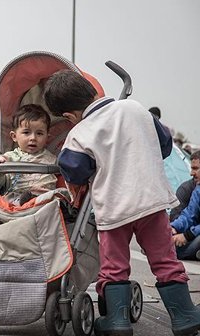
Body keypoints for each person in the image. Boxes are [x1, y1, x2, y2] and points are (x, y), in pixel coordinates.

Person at [43, 69, 200, 336]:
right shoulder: (135, 109)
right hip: (152, 201)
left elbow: (75, 170)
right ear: (93, 92)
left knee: (114, 267)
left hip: (114, 209)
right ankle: (184, 316)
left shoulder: (80, 133)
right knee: (165, 260)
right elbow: (164, 145)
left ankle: (117, 322)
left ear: (69, 116)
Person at [0, 104, 57, 205]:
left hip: (43, 200)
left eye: (39, 133)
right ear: (14, 136)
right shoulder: (10, 157)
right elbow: (0, 183)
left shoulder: (52, 159)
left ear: (47, 137)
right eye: (26, 132)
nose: (33, 138)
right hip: (16, 197)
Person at [170, 150, 200, 221]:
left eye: (195, 169)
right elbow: (175, 217)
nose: (191, 173)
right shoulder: (185, 189)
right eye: (191, 168)